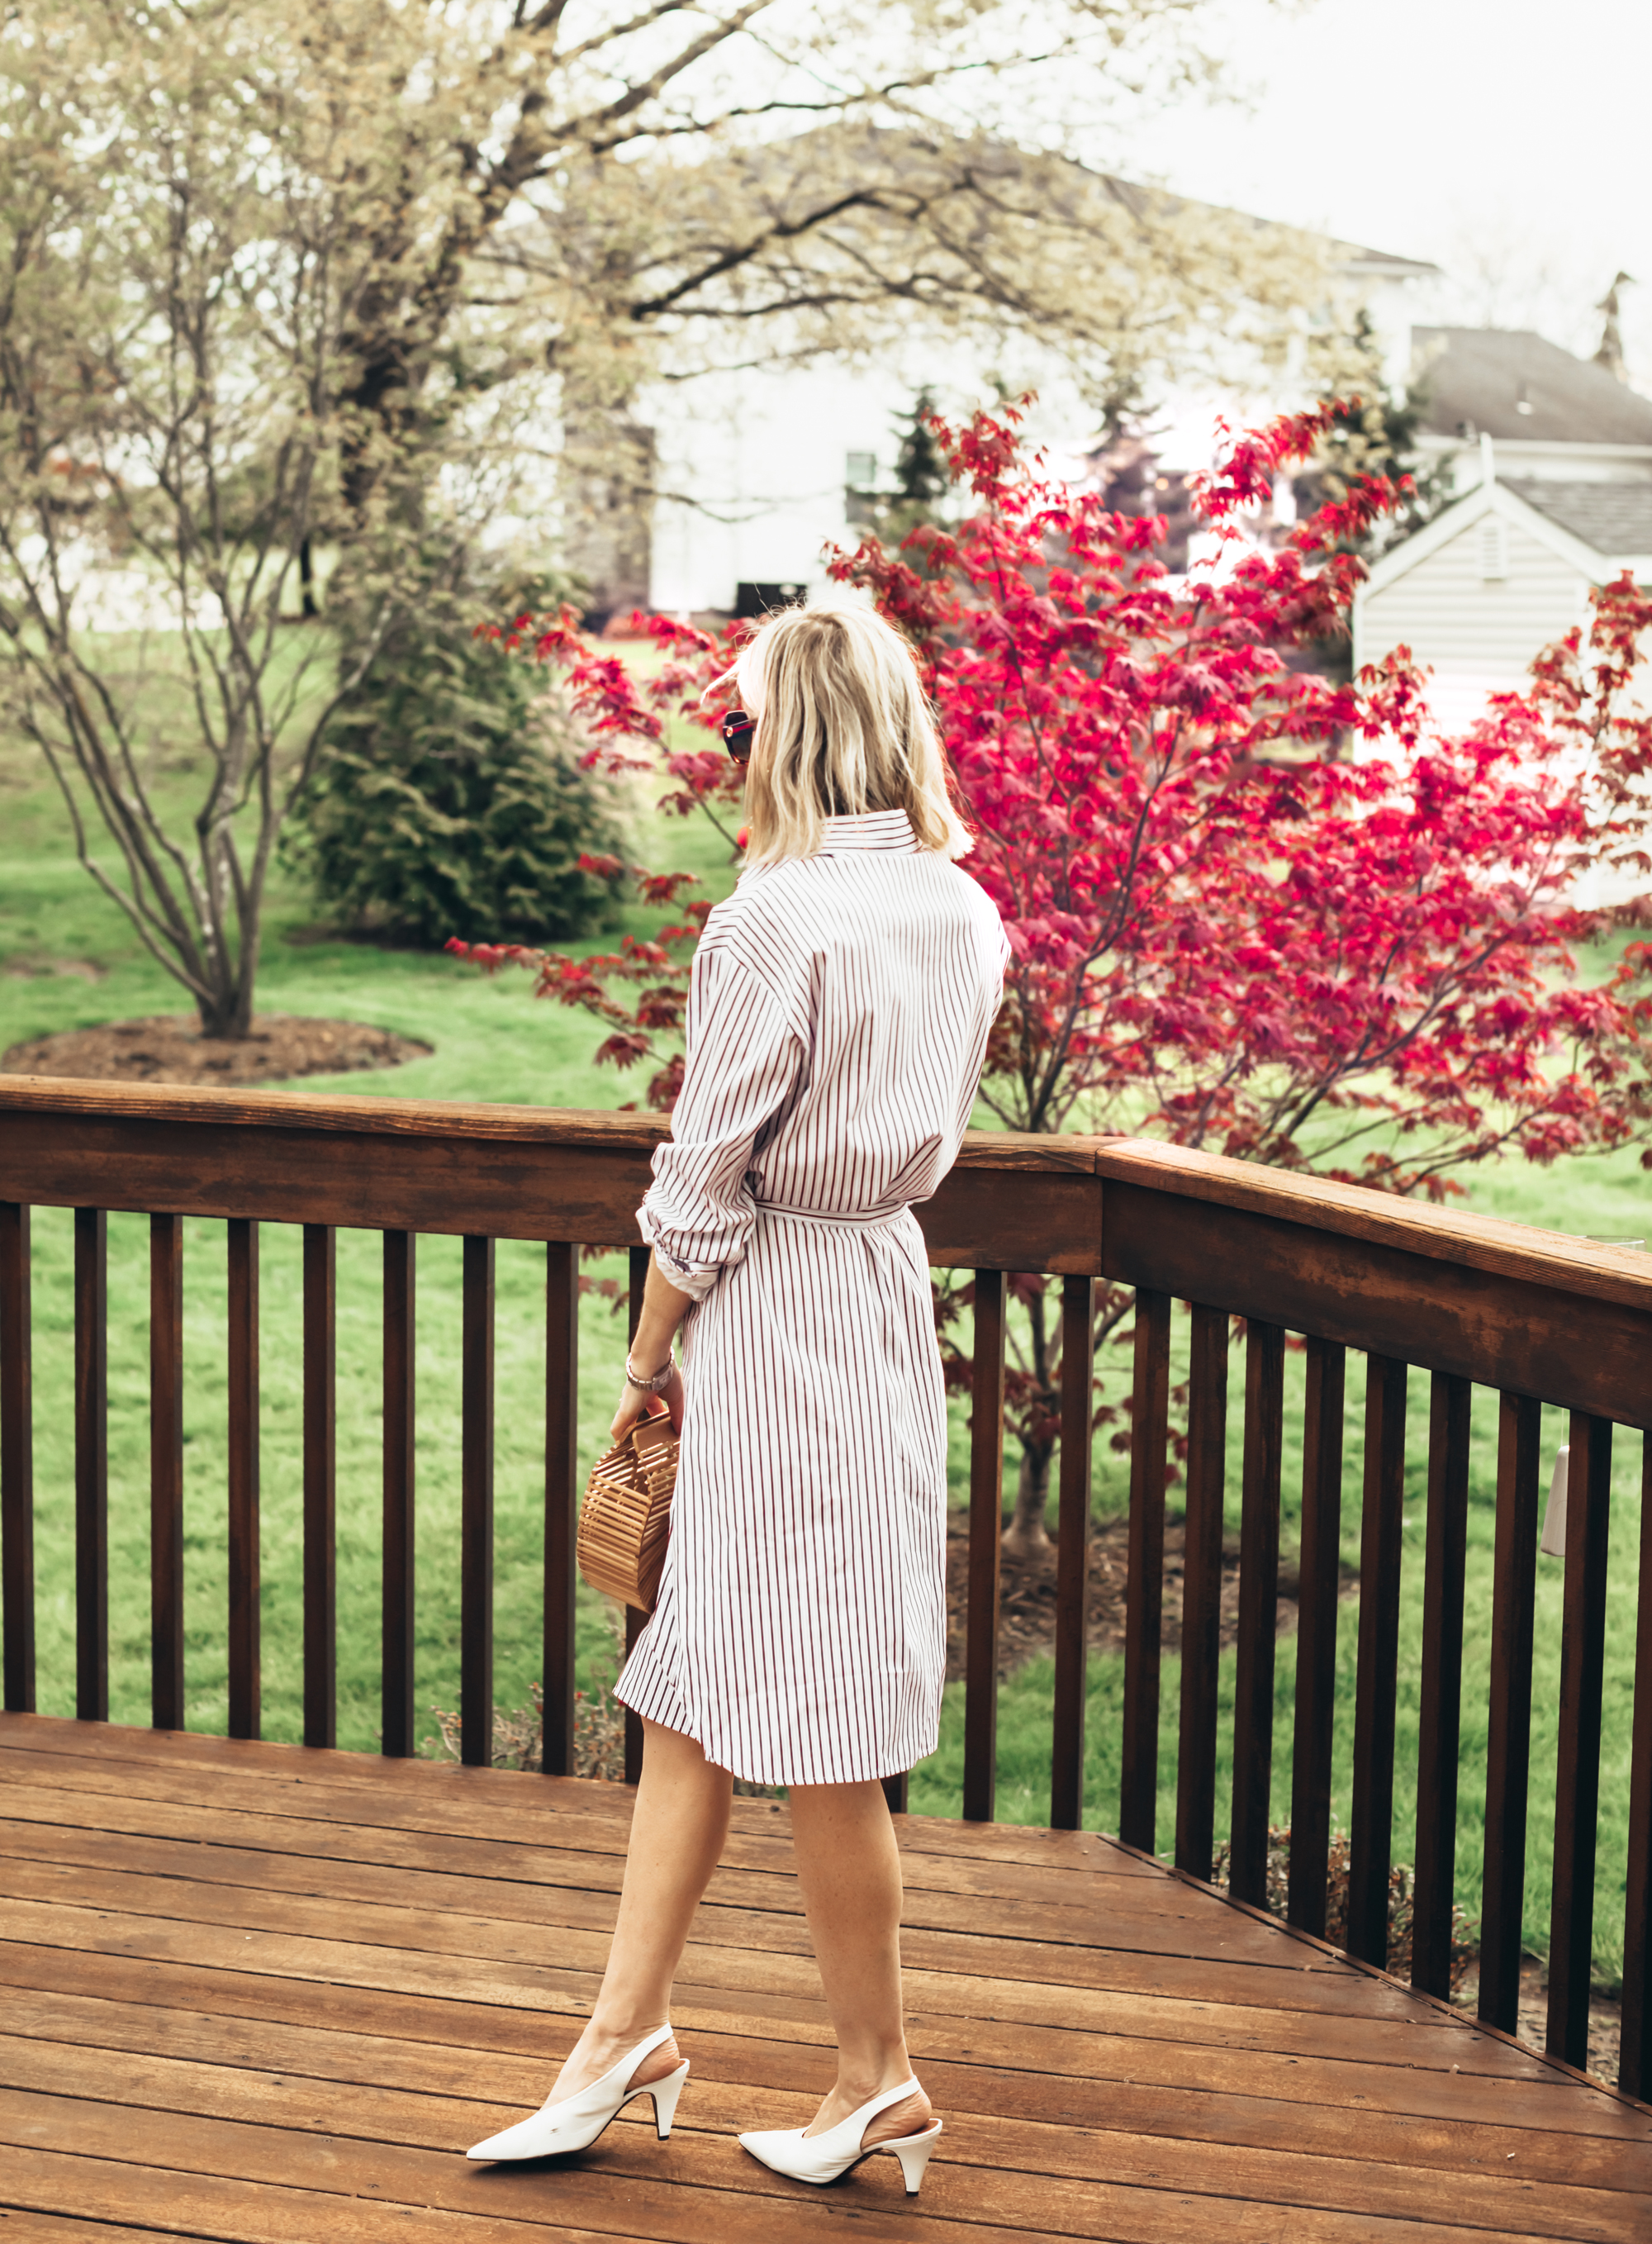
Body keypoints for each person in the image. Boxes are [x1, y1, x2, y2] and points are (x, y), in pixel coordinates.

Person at [468, 597, 1008, 2195]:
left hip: (778, 1320)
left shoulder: (772, 919)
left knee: (815, 1714)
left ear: (792, 729)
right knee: (693, 1687)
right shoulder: (964, 908)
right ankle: (622, 2037)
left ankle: (879, 2076)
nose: (725, 750)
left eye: (733, 723)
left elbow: (700, 1186)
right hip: (880, 1298)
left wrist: (645, 1368)